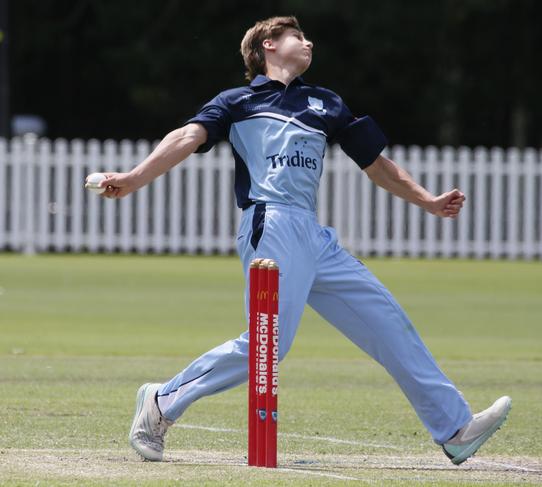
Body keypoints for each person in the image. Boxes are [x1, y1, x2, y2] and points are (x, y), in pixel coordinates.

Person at [93, 16, 511, 466]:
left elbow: (376, 165)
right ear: (268, 45)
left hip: (314, 235)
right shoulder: (238, 101)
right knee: (267, 342)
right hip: (269, 223)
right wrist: (134, 178)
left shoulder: (325, 103)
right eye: (297, 36)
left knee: (388, 322)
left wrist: (427, 201)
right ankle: (161, 402)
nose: (307, 41)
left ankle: (454, 428)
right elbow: (187, 136)